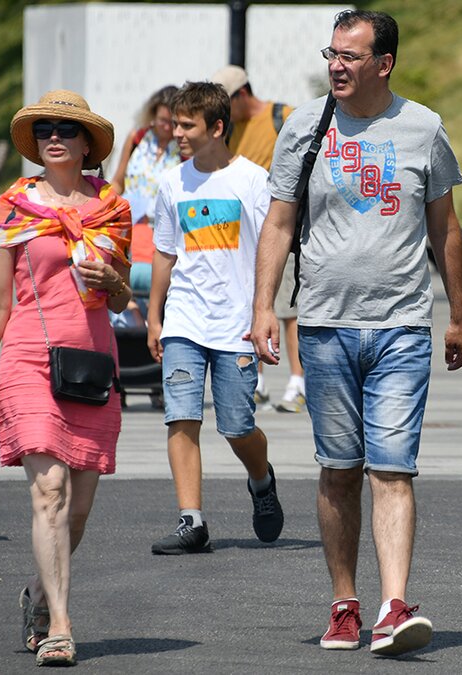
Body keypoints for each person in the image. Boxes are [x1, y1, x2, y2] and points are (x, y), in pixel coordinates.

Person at [250, 9, 462, 657]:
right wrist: (265, 307)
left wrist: (458, 313)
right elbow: (279, 224)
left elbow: (446, 228)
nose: (337, 65)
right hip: (322, 325)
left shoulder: (423, 127)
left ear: (385, 63)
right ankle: (344, 602)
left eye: (351, 55)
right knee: (338, 470)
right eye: (332, 54)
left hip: (403, 324)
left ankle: (393, 604)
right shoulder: (304, 125)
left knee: (392, 468)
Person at [0, 90, 132, 666]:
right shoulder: (12, 206)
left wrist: (112, 277)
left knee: (78, 509)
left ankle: (39, 599)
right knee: (49, 491)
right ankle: (61, 626)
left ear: (87, 142)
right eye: (43, 129)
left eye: (66, 127)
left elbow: (122, 296)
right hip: (28, 360)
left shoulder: (113, 206)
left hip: (90, 362)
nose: (54, 136)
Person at [146, 81, 283, 556]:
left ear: (217, 127)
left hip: (237, 324)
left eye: (187, 125)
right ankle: (192, 521)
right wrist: (154, 316)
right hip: (184, 318)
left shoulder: (253, 180)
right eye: (175, 123)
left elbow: (272, 248)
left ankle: (261, 480)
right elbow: (165, 252)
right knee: (180, 417)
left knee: (236, 426)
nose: (176, 132)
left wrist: (264, 312)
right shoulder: (171, 182)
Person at [211, 65, 306, 413]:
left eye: (225, 102)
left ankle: (298, 383)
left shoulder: (284, 117)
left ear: (242, 95)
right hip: (245, 231)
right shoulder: (228, 130)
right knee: (253, 303)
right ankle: (258, 382)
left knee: (289, 309)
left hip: (284, 229)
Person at [108, 85, 182, 297]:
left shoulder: (183, 149)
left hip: (161, 229)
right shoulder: (138, 138)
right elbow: (118, 180)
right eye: (162, 120)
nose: (167, 127)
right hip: (130, 225)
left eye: (172, 122)